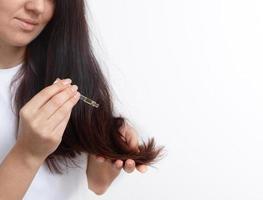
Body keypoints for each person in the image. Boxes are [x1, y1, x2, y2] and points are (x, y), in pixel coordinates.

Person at [0, 0, 164, 199]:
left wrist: (102, 161)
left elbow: (96, 184)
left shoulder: (67, 68)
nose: (38, 7)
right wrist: (27, 154)